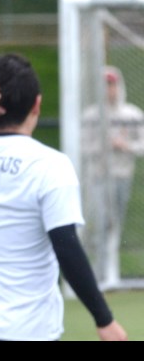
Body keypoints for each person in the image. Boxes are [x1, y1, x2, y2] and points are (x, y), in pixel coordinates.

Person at [0, 52, 127, 341]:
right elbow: (66, 248)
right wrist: (104, 319)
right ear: (37, 104)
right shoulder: (49, 165)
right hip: (31, 330)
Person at [80, 65, 144, 287]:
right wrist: (103, 145)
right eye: (105, 85)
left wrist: (125, 145)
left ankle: (112, 273)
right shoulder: (90, 115)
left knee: (116, 223)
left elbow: (141, 144)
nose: (110, 90)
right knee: (99, 222)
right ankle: (99, 274)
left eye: (112, 84)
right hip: (97, 177)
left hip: (121, 175)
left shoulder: (132, 114)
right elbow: (82, 147)